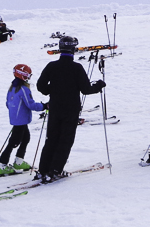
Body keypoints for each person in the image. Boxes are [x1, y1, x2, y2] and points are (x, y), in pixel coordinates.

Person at [35, 36, 105, 182]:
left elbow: (40, 86)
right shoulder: (76, 68)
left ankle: (42, 170)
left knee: (51, 139)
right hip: (71, 109)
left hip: (55, 108)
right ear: (73, 50)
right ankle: (55, 170)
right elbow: (86, 89)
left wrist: (52, 90)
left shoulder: (51, 66)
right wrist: (99, 86)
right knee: (65, 140)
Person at [0, 64, 45, 175]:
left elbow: (8, 103)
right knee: (13, 142)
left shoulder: (12, 88)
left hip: (18, 119)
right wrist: (44, 106)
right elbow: (30, 105)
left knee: (26, 138)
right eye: (28, 75)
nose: (29, 78)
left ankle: (19, 162)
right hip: (20, 120)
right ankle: (2, 165)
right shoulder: (23, 89)